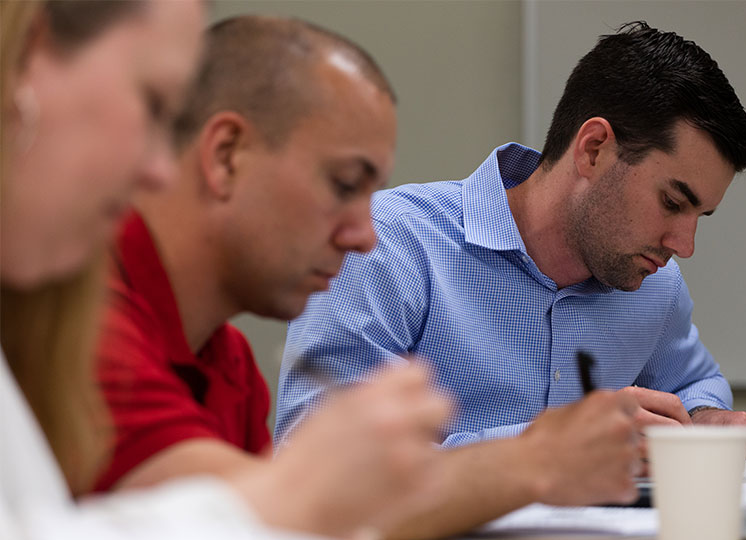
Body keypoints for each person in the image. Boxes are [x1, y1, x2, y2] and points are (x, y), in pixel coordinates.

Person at [87, 14, 642, 539]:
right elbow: (263, 519)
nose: (364, 235)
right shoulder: (86, 327)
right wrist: (535, 459)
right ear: (227, 155)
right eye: (343, 184)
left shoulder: (226, 359)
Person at [277, 20, 746, 521]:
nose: (684, 246)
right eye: (671, 202)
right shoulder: (390, 246)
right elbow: (311, 465)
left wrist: (703, 418)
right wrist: (549, 449)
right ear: (594, 149)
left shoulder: (654, 284)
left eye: (699, 218)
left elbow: (693, 384)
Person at [0, 2, 445, 539]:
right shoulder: (95, 317)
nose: (158, 168)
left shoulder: (228, 358)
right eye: (153, 105)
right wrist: (532, 460)